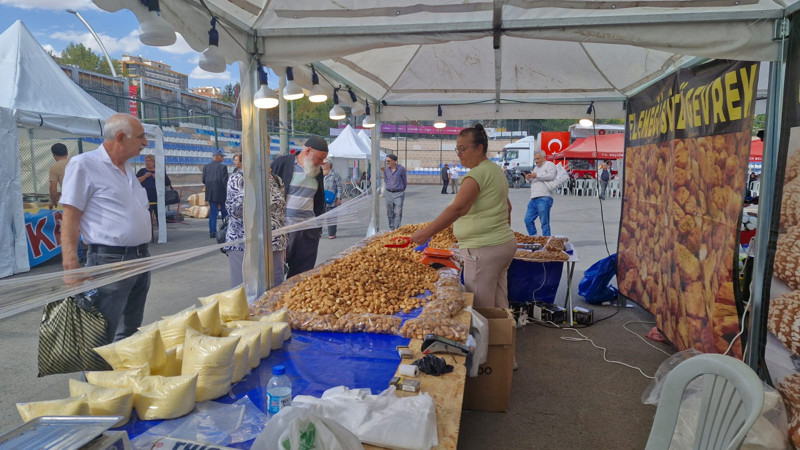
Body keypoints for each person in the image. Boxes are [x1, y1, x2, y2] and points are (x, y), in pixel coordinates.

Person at [60, 113, 151, 343]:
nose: (145, 142)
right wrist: (71, 266)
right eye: (140, 137)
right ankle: (97, 369)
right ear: (120, 137)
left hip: (140, 257)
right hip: (110, 260)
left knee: (130, 328)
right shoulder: (84, 165)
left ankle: (122, 366)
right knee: (102, 332)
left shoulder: (127, 168)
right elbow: (70, 217)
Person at [410, 123, 516, 309]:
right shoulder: (495, 170)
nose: (459, 154)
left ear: (479, 148)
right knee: (499, 304)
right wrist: (501, 233)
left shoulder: (476, 175)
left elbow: (458, 209)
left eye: (463, 149)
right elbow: (508, 207)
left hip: (482, 249)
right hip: (503, 245)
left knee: (480, 307)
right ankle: (505, 328)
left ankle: (490, 330)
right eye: (457, 149)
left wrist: (425, 233)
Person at [271, 136, 328, 278]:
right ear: (308, 151)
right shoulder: (282, 163)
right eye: (319, 158)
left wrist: (317, 229)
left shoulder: (317, 171)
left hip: (308, 231)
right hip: (284, 229)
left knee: (303, 274)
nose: (322, 163)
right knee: (276, 272)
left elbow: (319, 200)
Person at [225, 159, 288, 289]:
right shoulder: (237, 179)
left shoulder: (277, 180)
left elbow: (281, 213)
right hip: (243, 244)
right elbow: (234, 211)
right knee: (243, 290)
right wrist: (253, 182)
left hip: (275, 244)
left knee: (275, 290)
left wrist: (284, 243)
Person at [524, 150, 556, 236]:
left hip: (544, 197)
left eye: (538, 159)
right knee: (528, 220)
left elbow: (551, 176)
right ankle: (534, 237)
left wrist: (537, 175)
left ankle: (546, 241)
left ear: (544, 158)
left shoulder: (549, 165)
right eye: (535, 159)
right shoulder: (536, 168)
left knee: (544, 223)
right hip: (534, 198)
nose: (536, 161)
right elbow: (531, 181)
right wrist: (528, 178)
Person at [203, 150, 229, 238]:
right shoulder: (223, 167)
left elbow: (203, 180)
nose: (223, 159)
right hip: (221, 194)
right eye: (222, 157)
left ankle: (212, 232)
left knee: (213, 213)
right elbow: (225, 182)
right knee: (224, 213)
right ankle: (225, 230)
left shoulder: (206, 167)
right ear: (217, 157)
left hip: (211, 194)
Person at [383, 154, 407, 230]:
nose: (387, 162)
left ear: (394, 161)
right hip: (388, 193)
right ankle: (392, 229)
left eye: (388, 161)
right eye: (386, 161)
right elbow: (386, 180)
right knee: (389, 213)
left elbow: (404, 181)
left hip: (399, 193)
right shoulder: (386, 170)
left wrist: (401, 190)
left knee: (398, 212)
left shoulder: (401, 169)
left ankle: (397, 230)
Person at [322, 158, 343, 239]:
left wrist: (339, 198)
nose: (323, 164)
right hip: (321, 199)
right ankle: (318, 233)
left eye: (325, 163)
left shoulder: (335, 174)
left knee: (331, 218)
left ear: (329, 165)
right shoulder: (319, 173)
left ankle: (332, 233)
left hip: (332, 200)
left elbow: (340, 187)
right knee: (319, 217)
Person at [48, 143, 69, 209]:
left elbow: (53, 189)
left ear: (53, 154)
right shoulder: (76, 162)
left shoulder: (54, 167)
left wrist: (53, 201)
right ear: (67, 153)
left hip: (68, 199)